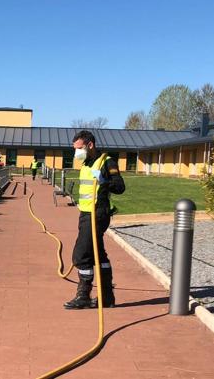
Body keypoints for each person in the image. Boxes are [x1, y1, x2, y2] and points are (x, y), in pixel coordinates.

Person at [64, 130, 125, 310]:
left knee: (81, 255)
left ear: (90, 145)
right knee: (98, 253)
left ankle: (83, 295)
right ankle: (107, 297)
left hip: (97, 213)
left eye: (80, 148)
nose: (77, 153)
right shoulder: (86, 162)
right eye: (75, 149)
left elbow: (120, 187)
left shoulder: (106, 162)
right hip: (85, 213)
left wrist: (104, 180)